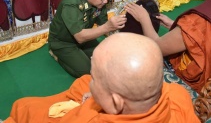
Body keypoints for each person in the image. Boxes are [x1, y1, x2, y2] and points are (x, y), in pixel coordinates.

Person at [4, 33, 200, 123]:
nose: (91, 80)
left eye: (95, 79)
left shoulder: (87, 118)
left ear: (115, 104)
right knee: (82, 84)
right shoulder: (178, 94)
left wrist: (93, 106)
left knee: (24, 107)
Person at [124, 0, 211, 94]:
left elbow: (157, 46)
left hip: (198, 88)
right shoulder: (197, 23)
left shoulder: (196, 22)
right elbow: (205, 37)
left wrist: (144, 19)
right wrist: (175, 26)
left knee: (139, 60)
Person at [48, 0, 127, 78]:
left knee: (107, 57)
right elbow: (80, 36)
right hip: (64, 42)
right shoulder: (72, 4)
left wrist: (119, 41)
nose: (106, 1)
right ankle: (57, 55)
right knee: (87, 71)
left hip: (86, 38)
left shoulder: (99, 2)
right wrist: (108, 27)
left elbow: (102, 24)